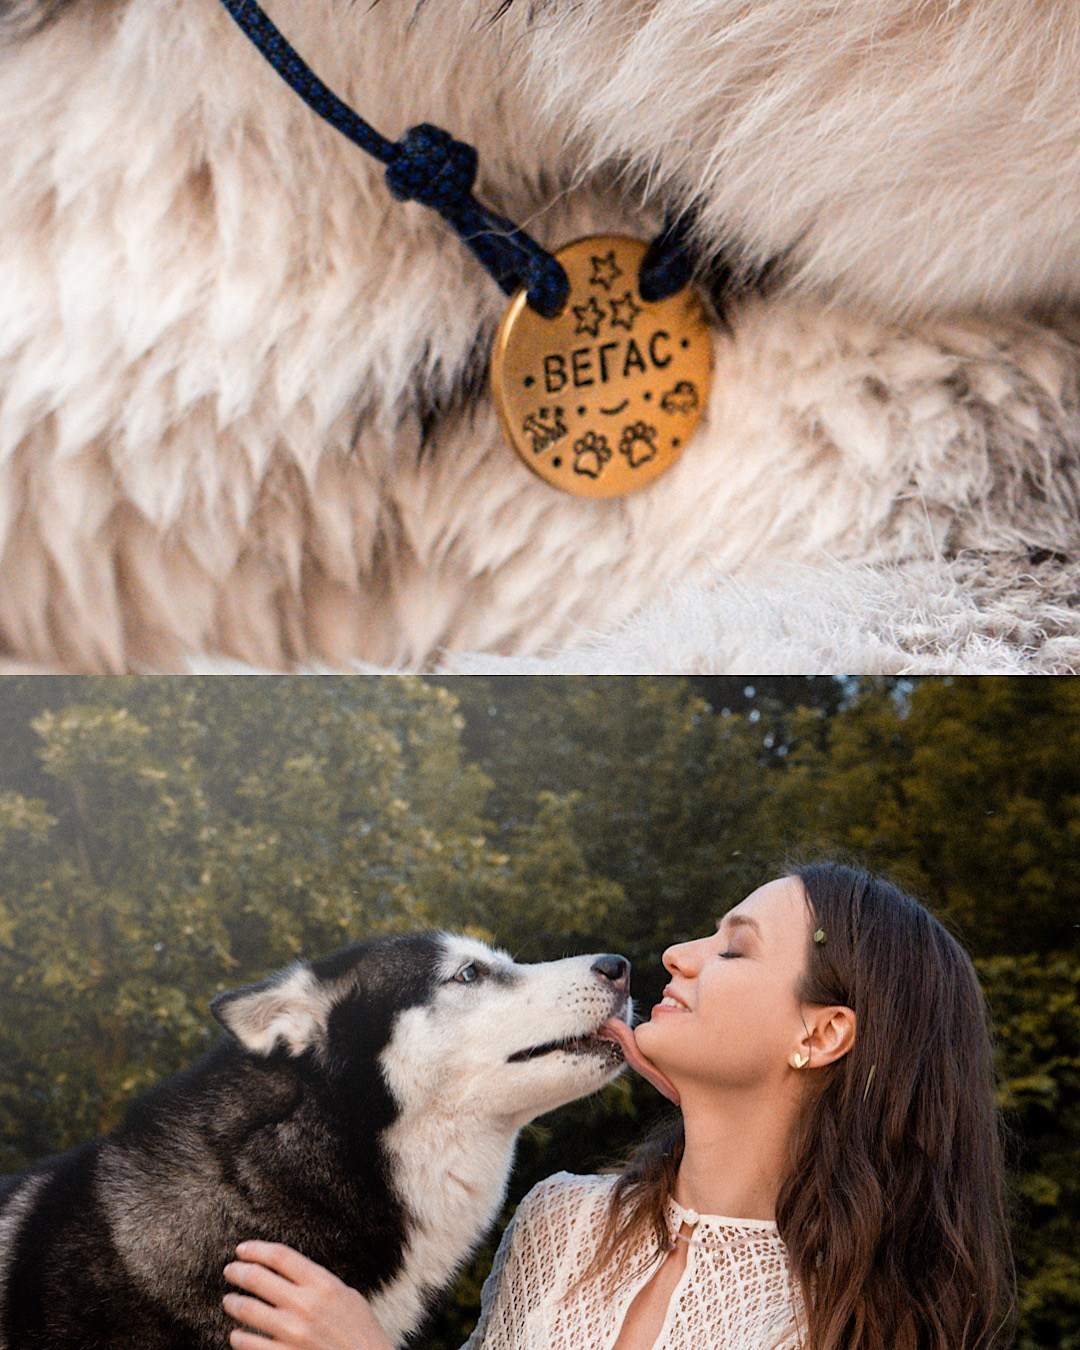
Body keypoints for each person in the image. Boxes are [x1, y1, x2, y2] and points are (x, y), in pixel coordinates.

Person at [222, 861, 1016, 1349]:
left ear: (824, 1032)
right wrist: (725, 1124)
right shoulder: (560, 1223)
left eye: (735, 948)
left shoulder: (847, 1322)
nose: (677, 956)